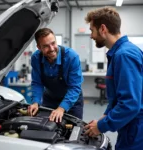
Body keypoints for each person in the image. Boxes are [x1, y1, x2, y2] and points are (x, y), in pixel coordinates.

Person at [84, 6, 143, 150]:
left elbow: (130, 104)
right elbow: (118, 97)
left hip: (135, 130)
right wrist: (104, 118)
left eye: (92, 30)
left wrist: (101, 126)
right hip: (129, 125)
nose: (91, 36)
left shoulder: (124, 55)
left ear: (103, 29)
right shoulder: (122, 52)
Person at [27, 28, 84, 123]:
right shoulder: (36, 58)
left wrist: (61, 108)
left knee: (73, 130)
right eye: (46, 46)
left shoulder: (71, 57)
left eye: (53, 43)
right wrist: (35, 102)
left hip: (73, 101)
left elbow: (74, 87)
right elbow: (37, 83)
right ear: (39, 47)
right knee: (46, 126)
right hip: (50, 100)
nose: (52, 49)